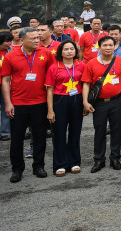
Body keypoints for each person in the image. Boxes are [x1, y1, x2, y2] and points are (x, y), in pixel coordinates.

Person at [2, 27, 54, 182]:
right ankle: (17, 169)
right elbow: (5, 81)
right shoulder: (11, 56)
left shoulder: (45, 53)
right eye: (33, 38)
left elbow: (52, 74)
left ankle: (39, 166)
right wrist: (8, 103)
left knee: (40, 137)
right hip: (18, 103)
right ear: (22, 39)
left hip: (40, 102)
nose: (37, 40)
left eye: (38, 38)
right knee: (17, 139)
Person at [80, 35, 121, 173]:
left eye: (110, 45)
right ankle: (99, 160)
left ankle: (115, 158)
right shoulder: (92, 63)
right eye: (105, 45)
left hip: (116, 101)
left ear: (115, 46)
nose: (108, 48)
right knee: (99, 130)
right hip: (99, 103)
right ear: (99, 47)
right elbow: (86, 84)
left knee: (116, 130)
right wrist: (85, 102)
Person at [45, 40, 85, 176]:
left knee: (75, 132)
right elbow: (49, 91)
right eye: (66, 49)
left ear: (76, 51)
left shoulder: (81, 65)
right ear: (60, 52)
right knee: (59, 133)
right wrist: (50, 110)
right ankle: (60, 163)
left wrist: (85, 103)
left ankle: (74, 161)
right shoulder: (53, 67)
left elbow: (86, 86)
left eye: (72, 49)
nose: (69, 51)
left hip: (77, 100)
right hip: (59, 100)